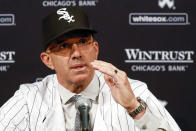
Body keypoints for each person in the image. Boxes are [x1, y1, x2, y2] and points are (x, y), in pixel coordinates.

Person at [0, 7, 181, 131]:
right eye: (63, 46)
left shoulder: (133, 92)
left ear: (95, 49)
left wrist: (134, 107)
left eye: (83, 42)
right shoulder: (29, 99)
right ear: (48, 60)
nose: (76, 53)